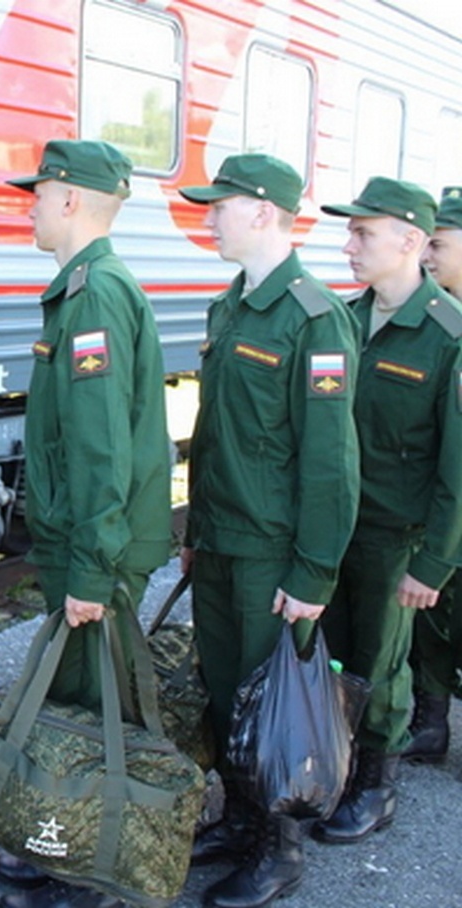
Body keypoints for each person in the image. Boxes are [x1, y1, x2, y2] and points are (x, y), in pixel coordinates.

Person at [0, 140, 171, 908]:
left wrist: (93, 570)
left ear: (69, 200)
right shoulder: (88, 288)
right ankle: (63, 847)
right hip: (84, 538)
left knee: (90, 710)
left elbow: (102, 449)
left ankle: (86, 875)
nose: (29, 204)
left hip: (92, 546)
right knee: (77, 701)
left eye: (38, 193)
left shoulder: (92, 296)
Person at [176, 155, 361, 908]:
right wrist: (195, 529)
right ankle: (242, 816)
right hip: (221, 542)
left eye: (219, 206)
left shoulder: (314, 318)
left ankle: (278, 849)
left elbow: (330, 465)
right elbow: (216, 435)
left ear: (260, 212)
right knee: (226, 693)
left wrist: (313, 575)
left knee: (271, 705)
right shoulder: (233, 305)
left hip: (271, 554)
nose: (208, 217)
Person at [312, 178, 462, 845]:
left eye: (362, 233)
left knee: (382, 662)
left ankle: (377, 782)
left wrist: (433, 563)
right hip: (337, 527)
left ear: (410, 241)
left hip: (396, 537)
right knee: (338, 656)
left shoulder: (447, 335)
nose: (349, 245)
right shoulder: (344, 320)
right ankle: (341, 768)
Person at [403, 185, 462, 762]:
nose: (428, 256)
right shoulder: (435, 317)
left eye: (439, 244)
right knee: (435, 618)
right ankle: (432, 718)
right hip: (438, 509)